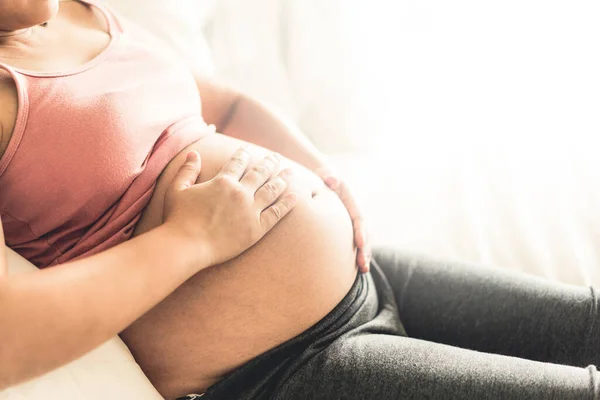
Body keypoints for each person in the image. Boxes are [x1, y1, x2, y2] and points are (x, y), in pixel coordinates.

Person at [0, 1, 598, 399]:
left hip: (366, 273)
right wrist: (191, 241)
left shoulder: (79, 13)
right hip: (284, 370)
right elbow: (10, 338)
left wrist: (321, 176)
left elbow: (222, 104)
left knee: (589, 326)